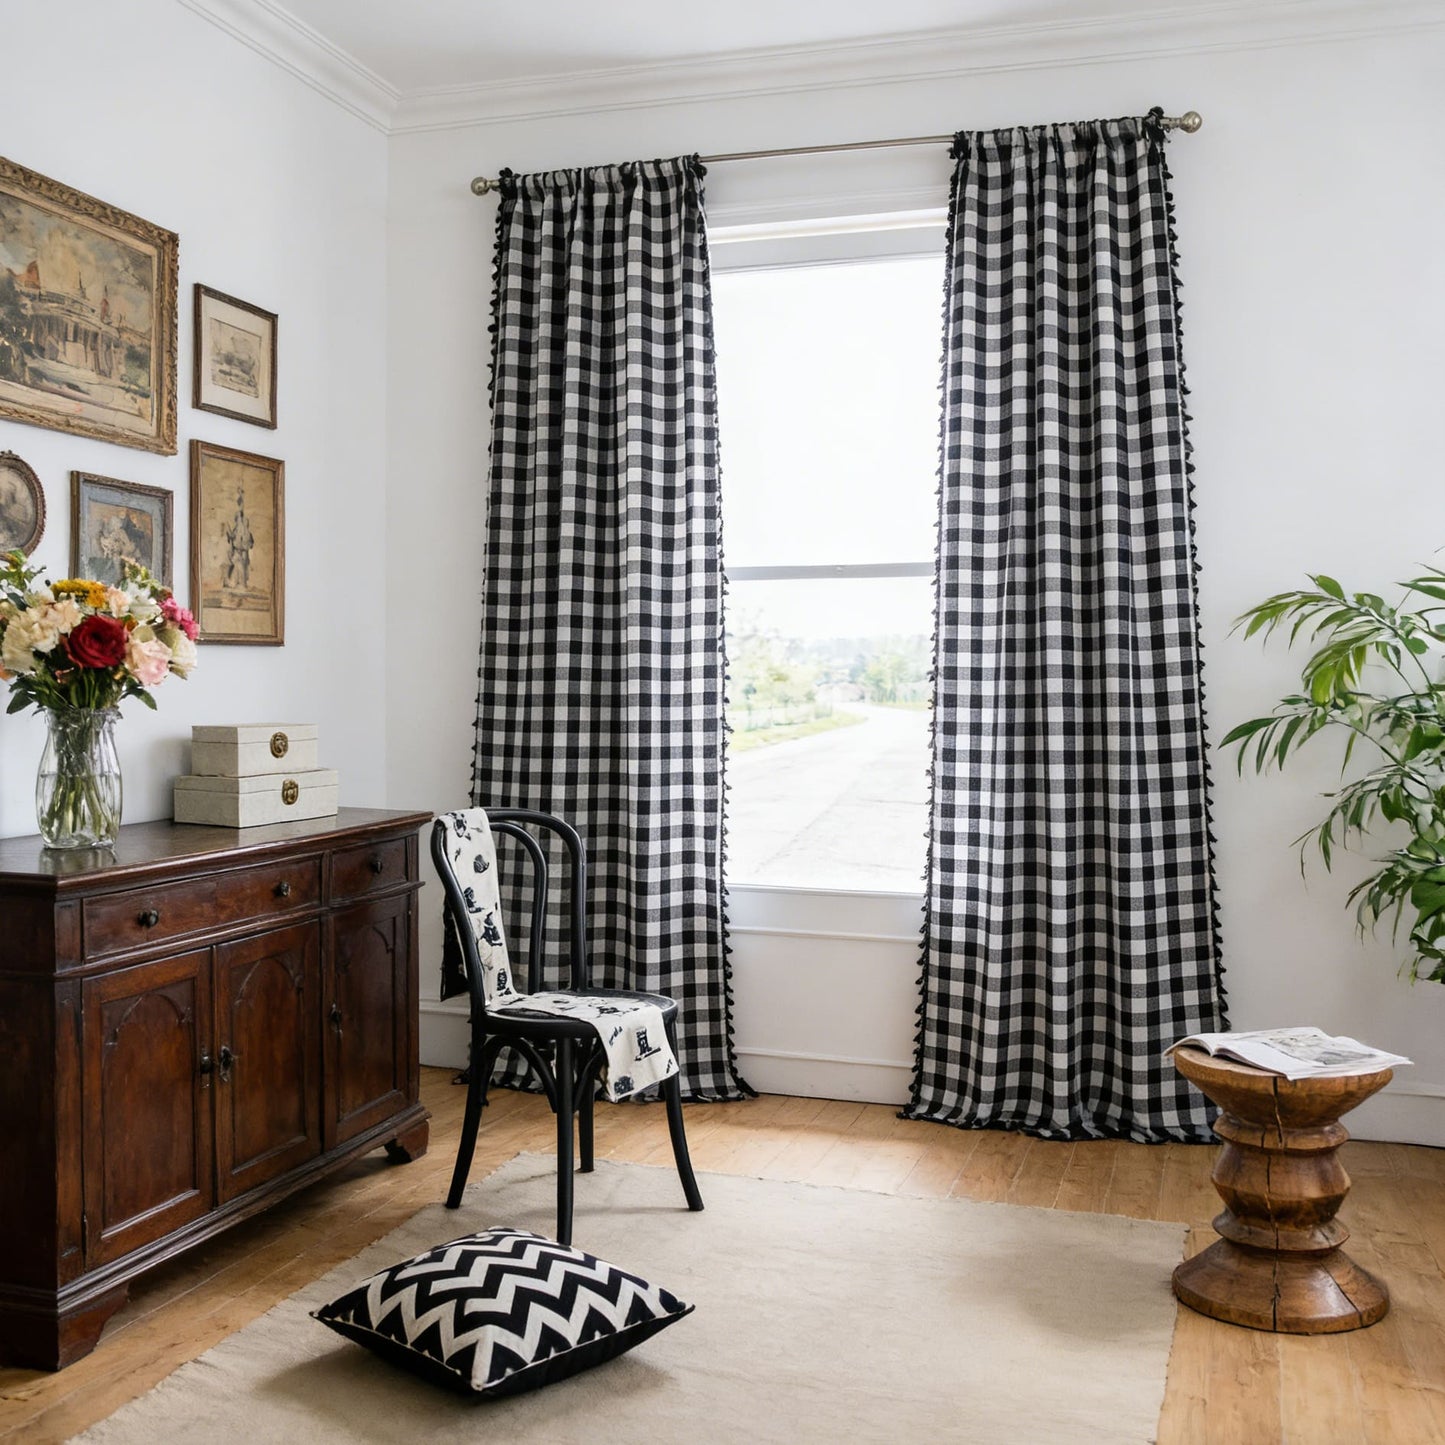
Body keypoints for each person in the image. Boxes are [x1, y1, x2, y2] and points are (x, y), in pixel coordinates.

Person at [224, 489, 254, 591]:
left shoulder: (244, 530)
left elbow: (248, 543)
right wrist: (229, 535)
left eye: (238, 519)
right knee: (236, 569)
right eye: (236, 519)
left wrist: (241, 497)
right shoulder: (236, 529)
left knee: (241, 569)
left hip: (241, 553)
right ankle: (235, 583)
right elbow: (233, 538)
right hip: (237, 552)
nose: (237, 521)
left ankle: (241, 584)